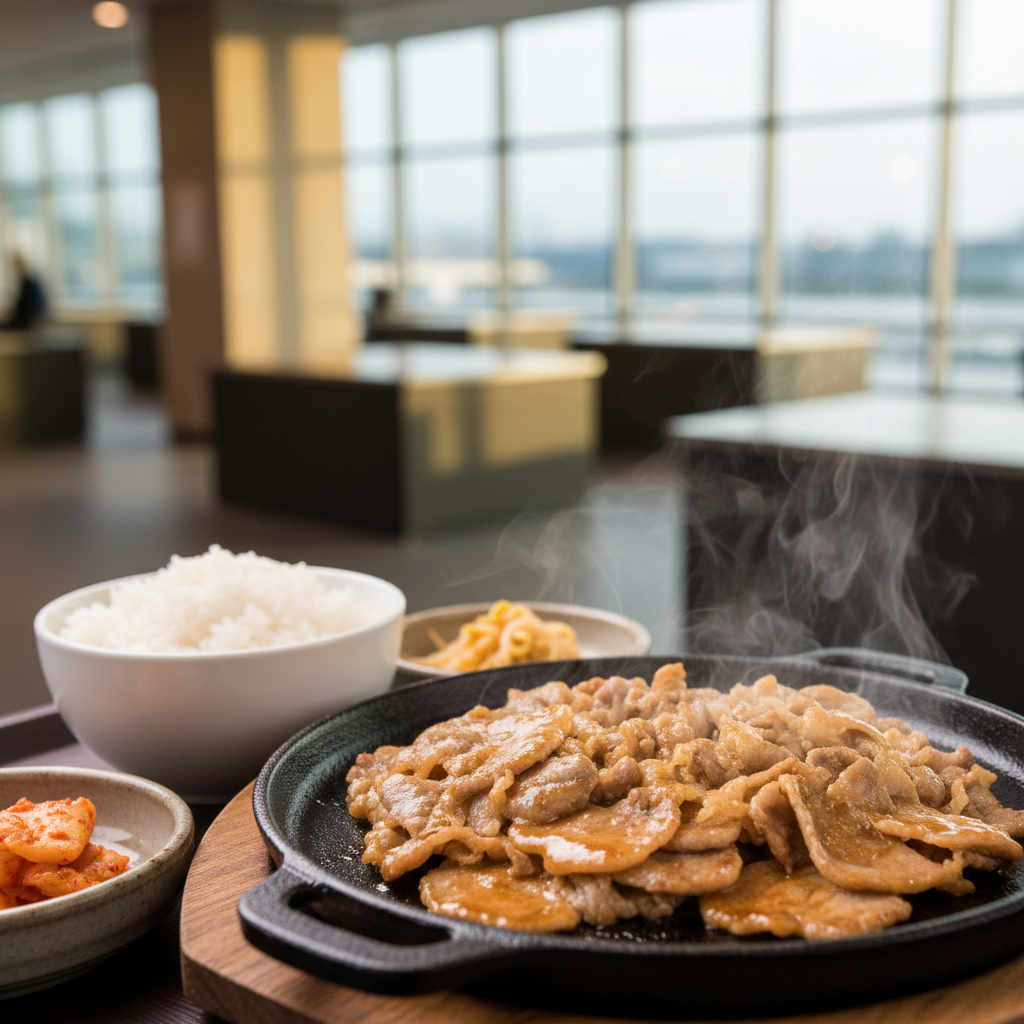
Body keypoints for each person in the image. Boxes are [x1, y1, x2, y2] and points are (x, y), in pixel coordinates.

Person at [2, 253, 47, 330]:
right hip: (30, 320)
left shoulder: (28, 284)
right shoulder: (28, 283)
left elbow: (25, 309)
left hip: (29, 322)